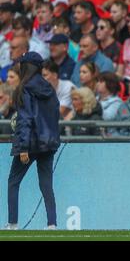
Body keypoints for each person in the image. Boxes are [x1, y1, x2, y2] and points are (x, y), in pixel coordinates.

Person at [6, 51, 60, 230]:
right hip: (48, 143)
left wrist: (23, 147)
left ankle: (13, 223)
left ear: (25, 66)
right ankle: (52, 224)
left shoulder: (25, 87)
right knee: (46, 184)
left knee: (13, 181)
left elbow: (26, 118)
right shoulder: (49, 88)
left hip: (30, 143)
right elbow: (54, 115)